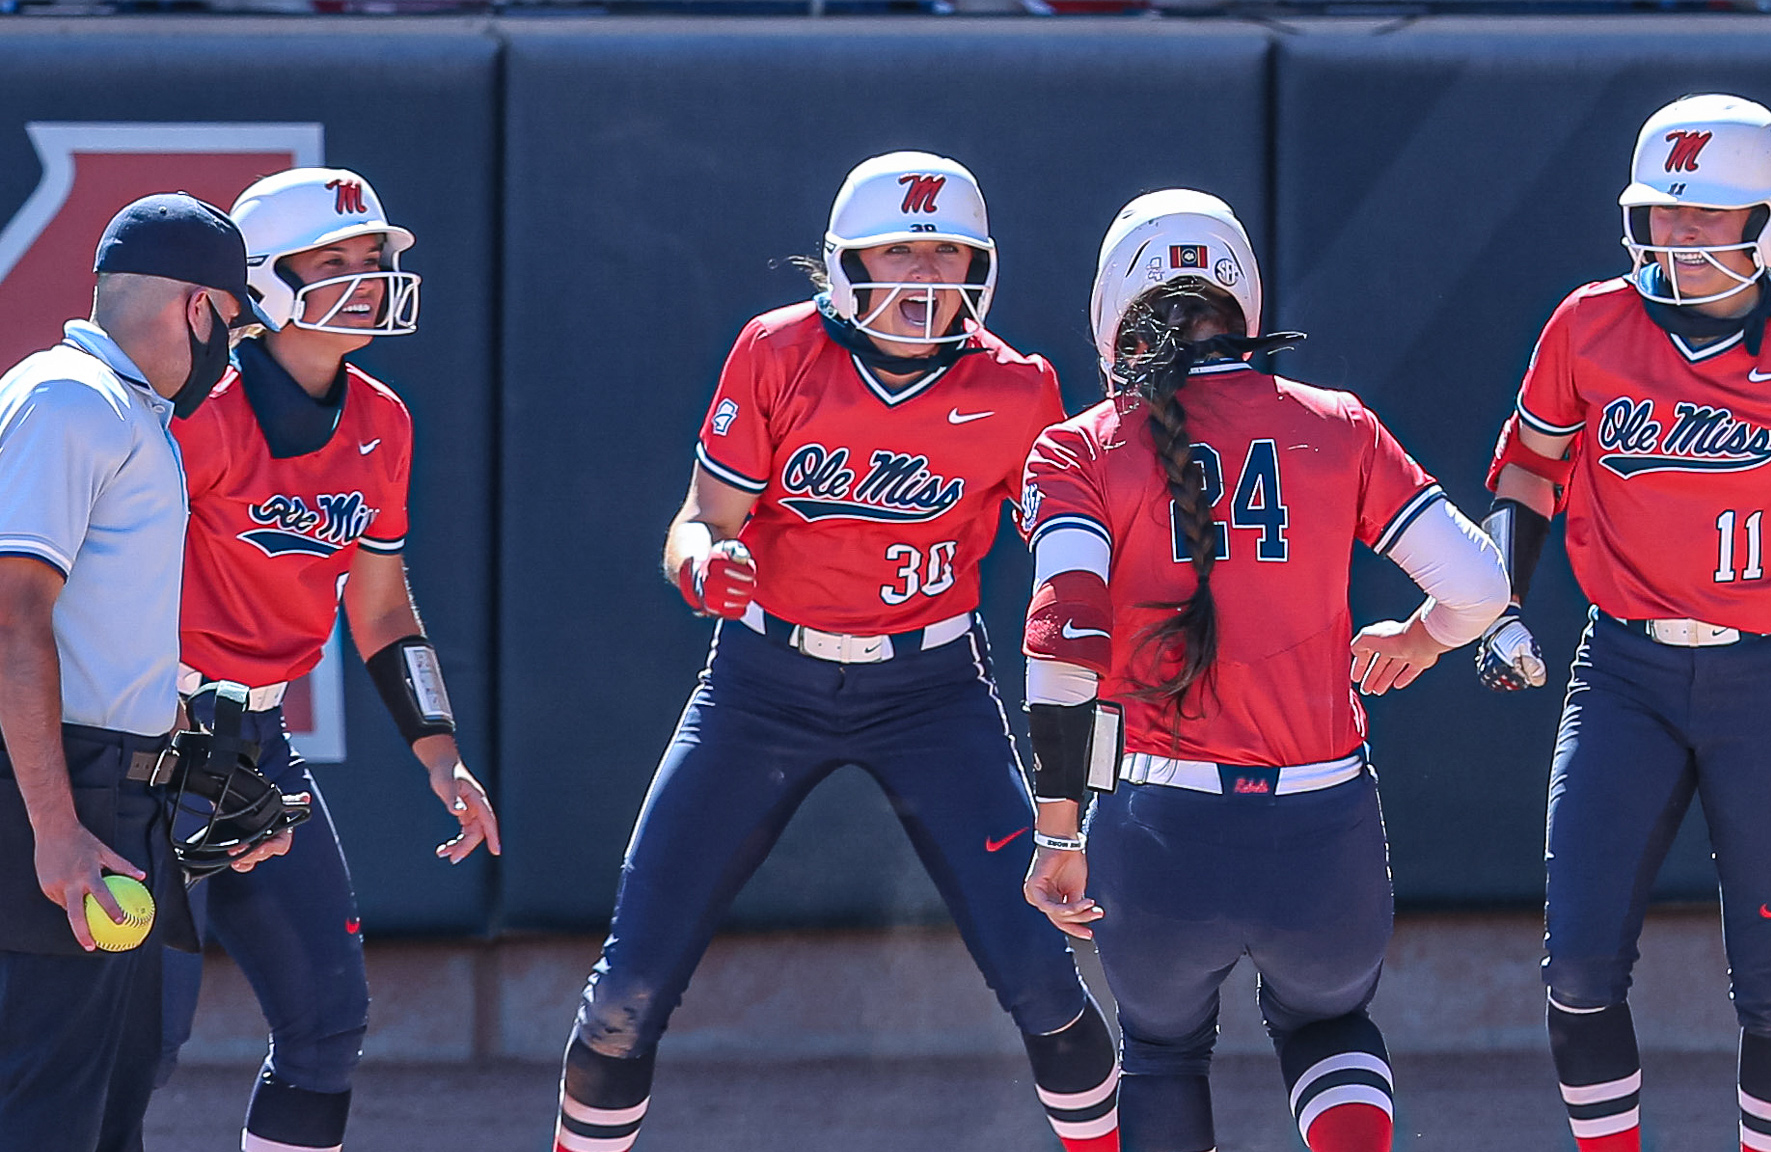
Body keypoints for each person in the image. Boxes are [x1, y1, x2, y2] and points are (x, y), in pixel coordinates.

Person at [551, 151, 1120, 1152]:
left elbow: (1064, 556)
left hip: (932, 689)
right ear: (846, 261)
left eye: (944, 252)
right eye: (898, 249)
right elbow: (697, 519)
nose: (923, 274)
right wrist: (701, 565)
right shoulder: (777, 352)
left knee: (1045, 981)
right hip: (762, 682)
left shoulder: (1020, 387)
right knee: (623, 994)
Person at [1473, 95, 1771, 1152]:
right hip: (1619, 668)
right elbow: (1529, 472)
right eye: (1660, 213)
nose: (1672, 235)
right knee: (1577, 969)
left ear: (1768, 221)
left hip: (1768, 681)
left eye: (1702, 215)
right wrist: (1494, 604)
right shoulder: (1586, 325)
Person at [1019, 189, 1510, 1152]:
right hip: (1323, 827)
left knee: (1160, 1054)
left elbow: (1064, 646)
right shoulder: (1338, 424)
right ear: (1239, 304)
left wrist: (1058, 830)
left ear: (1116, 308)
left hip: (1158, 829)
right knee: (1329, 1030)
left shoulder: (1077, 448)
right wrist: (1421, 640)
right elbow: (1482, 587)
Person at [153, 167, 501, 1152]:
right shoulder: (194, 411)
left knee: (327, 1028)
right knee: (138, 1034)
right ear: (260, 280)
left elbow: (381, 603)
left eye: (371, 260)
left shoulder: (382, 418)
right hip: (150, 739)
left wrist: (439, 751)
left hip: (257, 743)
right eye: (333, 261)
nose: (366, 278)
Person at [0, 193, 287, 1152]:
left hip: (108, 791)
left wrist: (188, 774)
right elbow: (12, 616)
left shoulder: (122, 409)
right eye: (236, 322)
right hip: (57, 796)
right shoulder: (70, 398)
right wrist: (57, 832)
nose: (235, 348)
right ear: (197, 308)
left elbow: (95, 640)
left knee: (105, 1109)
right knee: (46, 1111)